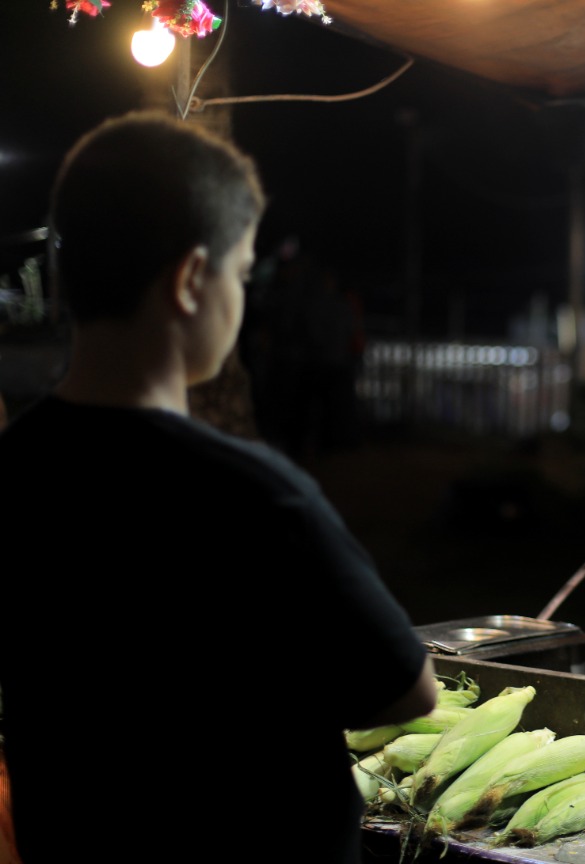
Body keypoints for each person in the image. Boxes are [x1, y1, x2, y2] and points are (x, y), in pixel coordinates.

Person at [0, 111, 438, 864]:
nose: (243, 299)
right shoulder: (255, 494)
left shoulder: (13, 468)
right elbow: (406, 690)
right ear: (191, 280)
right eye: (241, 274)